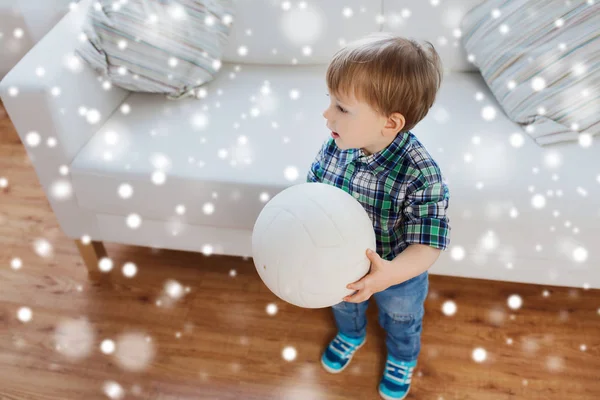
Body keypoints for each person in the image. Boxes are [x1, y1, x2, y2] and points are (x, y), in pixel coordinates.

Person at [306, 32, 451, 400]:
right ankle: (351, 333)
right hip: (341, 260)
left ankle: (403, 356)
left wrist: (392, 274)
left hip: (396, 271)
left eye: (341, 107)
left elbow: (429, 243)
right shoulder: (338, 144)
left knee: (402, 317)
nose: (327, 115)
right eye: (330, 102)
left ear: (390, 123)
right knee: (342, 301)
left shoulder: (422, 173)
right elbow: (314, 191)